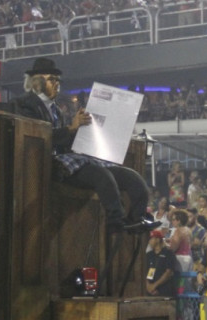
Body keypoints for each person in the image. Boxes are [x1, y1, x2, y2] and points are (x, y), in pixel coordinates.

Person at [12, 57, 156, 234]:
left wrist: (86, 131)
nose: (57, 84)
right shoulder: (24, 104)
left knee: (131, 177)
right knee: (102, 175)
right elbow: (35, 137)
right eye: (52, 79)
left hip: (68, 159)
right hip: (44, 164)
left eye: (58, 80)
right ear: (36, 81)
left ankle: (137, 219)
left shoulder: (56, 109)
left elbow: (65, 139)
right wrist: (71, 128)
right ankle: (115, 221)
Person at [144, 230, 179, 298]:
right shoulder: (149, 255)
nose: (149, 241)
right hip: (151, 292)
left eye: (151, 239)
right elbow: (147, 272)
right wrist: (148, 286)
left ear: (157, 239)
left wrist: (154, 285)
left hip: (165, 292)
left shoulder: (168, 253)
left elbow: (168, 273)